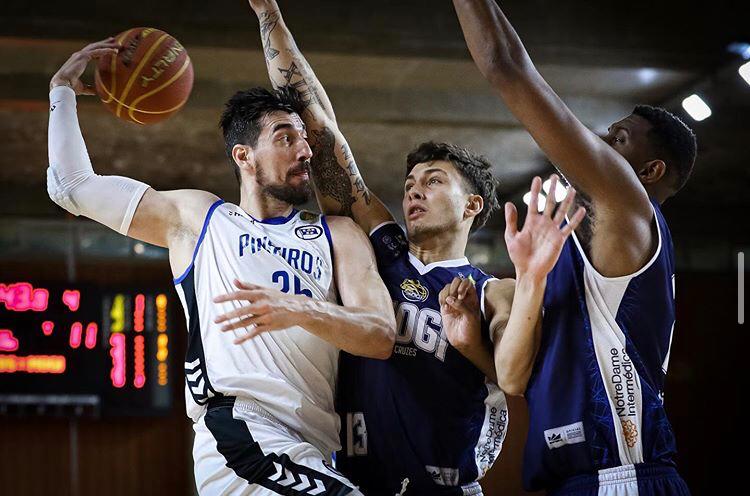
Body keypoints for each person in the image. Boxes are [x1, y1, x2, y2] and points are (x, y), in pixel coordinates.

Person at [246, 2, 585, 495]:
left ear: (471, 204)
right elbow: (319, 129)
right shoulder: (378, 247)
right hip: (353, 483)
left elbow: (516, 378)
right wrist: (268, 13)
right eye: (409, 183)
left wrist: (478, 332)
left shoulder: (491, 292)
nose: (412, 191)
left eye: (432, 180)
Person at [46, 38, 397, 495]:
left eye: (305, 140)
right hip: (240, 437)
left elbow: (381, 336)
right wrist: (61, 92)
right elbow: (71, 186)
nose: (305, 151)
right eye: (285, 138)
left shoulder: (339, 235)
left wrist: (297, 309)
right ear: (243, 156)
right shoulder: (199, 218)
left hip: (314, 447)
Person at [452, 1, 698, 494]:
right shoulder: (576, 248)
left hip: (619, 476)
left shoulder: (627, 204)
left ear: (648, 173)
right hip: (579, 479)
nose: (602, 143)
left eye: (619, 139)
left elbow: (506, 67)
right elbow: (516, 379)